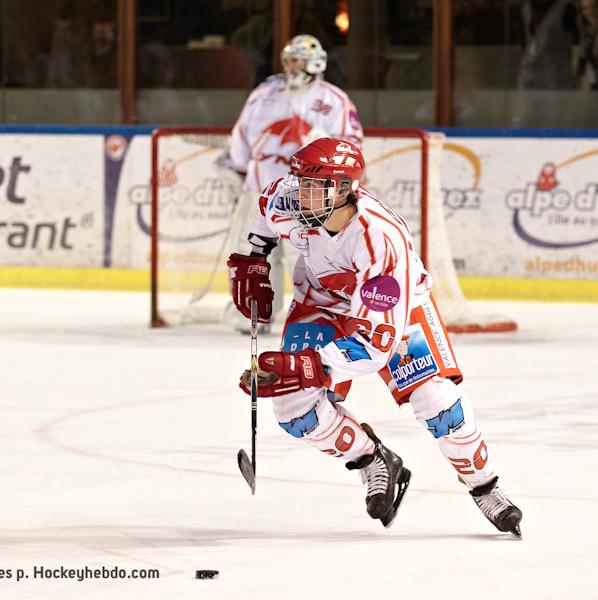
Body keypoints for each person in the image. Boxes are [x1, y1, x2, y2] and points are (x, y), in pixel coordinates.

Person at [226, 138, 523, 536]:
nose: (300, 194)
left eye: (314, 187)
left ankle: (486, 488)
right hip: (322, 301)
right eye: (301, 183)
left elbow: (374, 348)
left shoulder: (380, 240)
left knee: (438, 403)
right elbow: (266, 208)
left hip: (393, 311)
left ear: (345, 190)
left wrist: (309, 365)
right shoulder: (291, 202)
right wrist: (255, 259)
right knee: (293, 410)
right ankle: (373, 461)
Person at [218, 34, 363, 332]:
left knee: (310, 253)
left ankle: (317, 313)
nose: (290, 66)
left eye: (297, 59)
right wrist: (239, 169)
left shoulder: (334, 99)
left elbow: (352, 143)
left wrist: (328, 157)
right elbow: (242, 132)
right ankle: (256, 313)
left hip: (311, 194)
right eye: (288, 59)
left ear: (315, 62)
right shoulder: (266, 91)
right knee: (256, 251)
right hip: (262, 188)